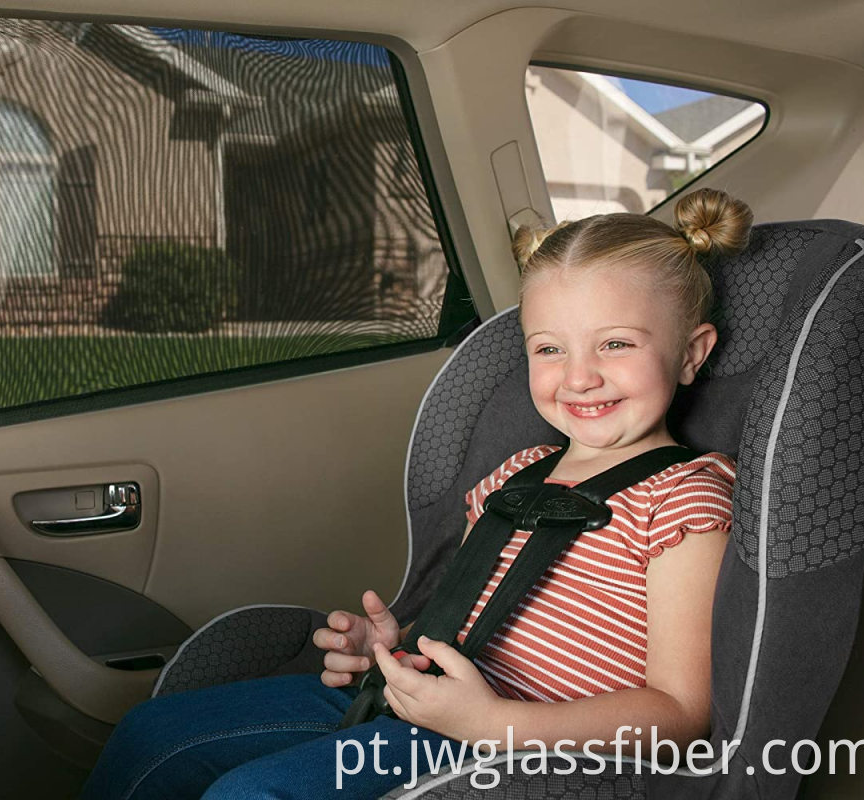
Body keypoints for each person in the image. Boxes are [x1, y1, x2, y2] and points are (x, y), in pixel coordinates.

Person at [79, 188, 751, 799]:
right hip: (419, 698)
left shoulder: (685, 500)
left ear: (692, 354)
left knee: (251, 795)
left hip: (524, 747)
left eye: (614, 344)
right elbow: (477, 609)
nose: (578, 377)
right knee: (152, 733)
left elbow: (679, 713)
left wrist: (493, 723)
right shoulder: (514, 473)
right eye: (549, 349)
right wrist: (399, 639)